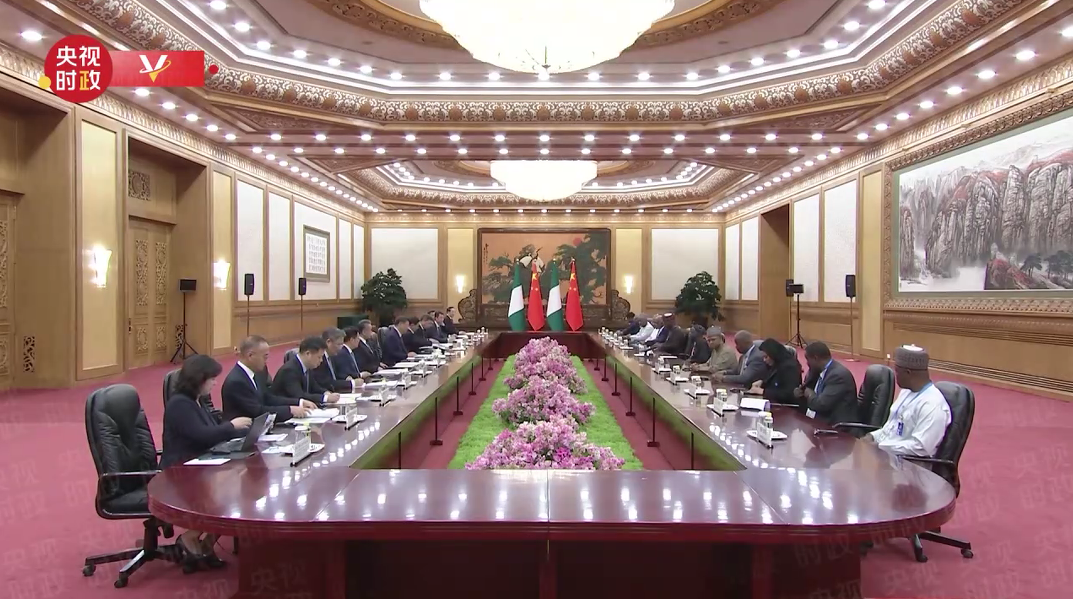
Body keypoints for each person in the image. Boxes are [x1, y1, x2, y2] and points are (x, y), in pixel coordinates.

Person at [161, 355, 251, 569]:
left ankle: (205, 545)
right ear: (199, 379)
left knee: (239, 485)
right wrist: (232, 426)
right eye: (212, 379)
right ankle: (190, 537)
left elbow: (213, 431)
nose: (215, 383)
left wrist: (246, 431)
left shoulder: (196, 401)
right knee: (231, 492)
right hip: (180, 469)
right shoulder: (180, 405)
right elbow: (202, 436)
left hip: (201, 461)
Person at [865, 345, 951, 457]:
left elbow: (920, 448)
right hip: (889, 456)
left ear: (908, 372)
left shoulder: (932, 405)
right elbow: (890, 430)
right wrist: (872, 437)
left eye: (897, 371)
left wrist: (880, 447)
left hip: (911, 463)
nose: (895, 375)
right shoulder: (906, 392)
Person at [222, 335, 315, 422]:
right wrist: (290, 410)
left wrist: (299, 402)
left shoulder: (257, 374)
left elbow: (267, 398)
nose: (267, 361)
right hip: (241, 431)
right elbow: (257, 412)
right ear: (250, 355)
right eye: (265, 357)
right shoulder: (236, 381)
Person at [796, 341, 858, 424]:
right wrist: (800, 393)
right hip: (817, 419)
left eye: (808, 359)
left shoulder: (838, 376)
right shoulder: (816, 371)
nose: (807, 363)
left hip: (836, 426)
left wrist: (810, 394)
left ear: (815, 358)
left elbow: (821, 405)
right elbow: (807, 390)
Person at [272, 336, 341, 404]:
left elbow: (314, 387)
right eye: (319, 357)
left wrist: (326, 393)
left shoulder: (307, 367)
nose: (321, 360)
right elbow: (299, 396)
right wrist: (325, 398)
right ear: (308, 354)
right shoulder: (289, 370)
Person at [753, 338, 803, 405]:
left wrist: (763, 391)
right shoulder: (775, 363)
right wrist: (762, 383)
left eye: (766, 357)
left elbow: (789, 394)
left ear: (773, 354)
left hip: (787, 407)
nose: (764, 360)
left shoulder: (790, 367)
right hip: (774, 403)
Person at [314, 328, 362, 392]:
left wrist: (346, 377)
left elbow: (338, 374)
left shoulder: (332, 357)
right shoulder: (319, 359)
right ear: (328, 342)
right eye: (339, 344)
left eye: (342, 344)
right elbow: (326, 383)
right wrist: (352, 383)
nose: (341, 348)